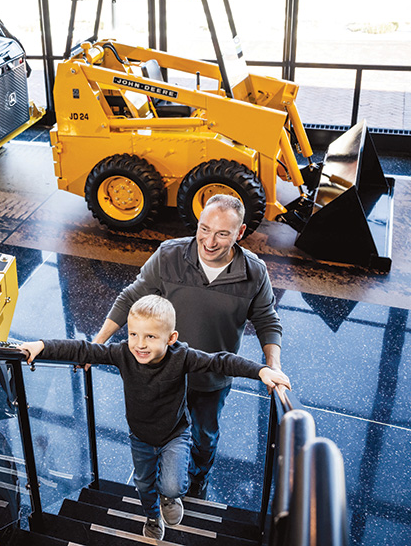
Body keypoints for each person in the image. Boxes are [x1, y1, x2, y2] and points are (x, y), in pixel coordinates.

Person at [19, 295, 290, 540]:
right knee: (144, 483)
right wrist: (42, 345)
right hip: (140, 436)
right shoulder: (123, 353)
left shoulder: (182, 356)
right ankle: (152, 517)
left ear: (170, 338)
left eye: (150, 337)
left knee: (172, 485)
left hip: (175, 433)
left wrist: (261, 371)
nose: (139, 344)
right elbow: (82, 349)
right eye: (134, 334)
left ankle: (171, 499)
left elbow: (220, 361)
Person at [91, 193, 283, 500]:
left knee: (204, 438)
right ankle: (160, 482)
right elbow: (130, 298)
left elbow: (267, 321)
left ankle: (198, 479)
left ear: (240, 233)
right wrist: (96, 345)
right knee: (159, 431)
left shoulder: (254, 273)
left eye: (222, 234)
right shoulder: (169, 255)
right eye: (204, 229)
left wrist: (273, 366)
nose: (209, 242)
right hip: (166, 374)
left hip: (211, 378)